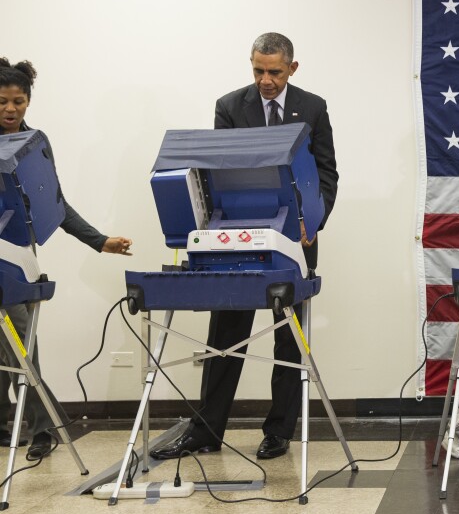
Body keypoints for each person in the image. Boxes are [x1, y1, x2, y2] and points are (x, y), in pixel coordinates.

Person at [150, 32, 339, 460]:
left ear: (292, 68)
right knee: (226, 334)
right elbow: (220, 171)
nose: (265, 80)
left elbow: (326, 173)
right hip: (238, 234)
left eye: (274, 71)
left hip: (295, 236)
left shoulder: (312, 107)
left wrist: (316, 220)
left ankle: (279, 430)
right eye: (257, 70)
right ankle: (207, 430)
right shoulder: (230, 106)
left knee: (289, 337)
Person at [0, 57, 133, 458]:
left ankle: (43, 430)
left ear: (29, 101)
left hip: (15, 258)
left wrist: (99, 241)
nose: (10, 109)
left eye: (19, 102)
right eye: (3, 101)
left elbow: (51, 202)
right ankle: (14, 422)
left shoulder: (34, 143)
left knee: (20, 344)